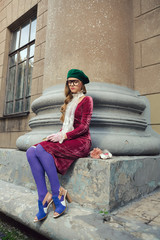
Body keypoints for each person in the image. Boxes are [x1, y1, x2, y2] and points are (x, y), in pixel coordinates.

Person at [26, 69, 93, 222]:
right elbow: (66, 126)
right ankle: (44, 196)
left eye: (75, 81)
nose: (72, 84)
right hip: (67, 138)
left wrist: (63, 136)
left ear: (82, 84)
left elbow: (84, 127)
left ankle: (57, 193)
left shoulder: (87, 100)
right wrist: (57, 135)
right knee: (31, 151)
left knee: (43, 148)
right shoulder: (69, 102)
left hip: (82, 141)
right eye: (70, 82)